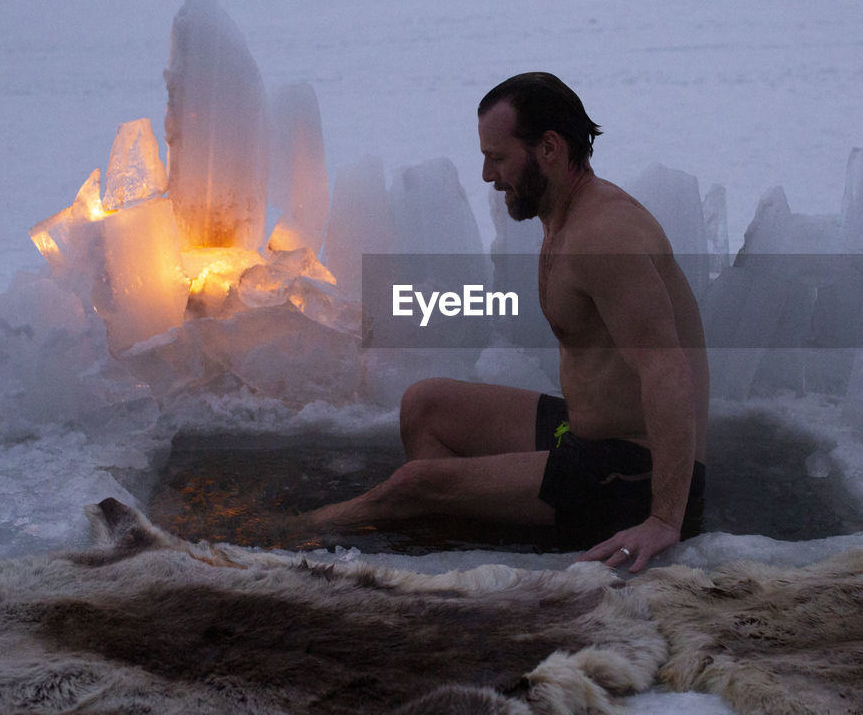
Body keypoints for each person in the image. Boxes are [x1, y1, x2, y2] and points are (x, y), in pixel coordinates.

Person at [300, 72, 708, 572]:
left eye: (498, 158)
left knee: (414, 485)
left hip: (634, 474)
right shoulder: (565, 214)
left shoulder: (606, 234)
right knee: (425, 405)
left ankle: (282, 538)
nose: (489, 176)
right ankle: (481, 548)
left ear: (549, 149)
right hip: (589, 437)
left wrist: (666, 519)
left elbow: (668, 370)